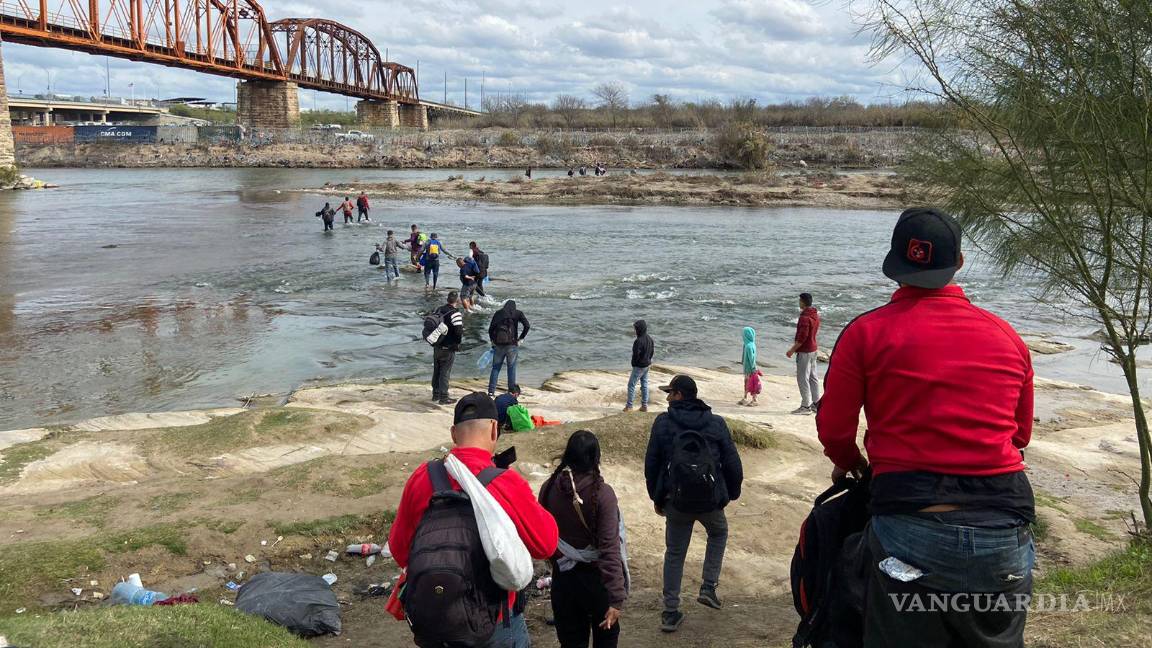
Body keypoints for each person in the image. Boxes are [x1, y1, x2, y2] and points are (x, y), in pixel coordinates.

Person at [816, 208, 1036, 648]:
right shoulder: (1007, 336)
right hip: (1003, 526)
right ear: (959, 262)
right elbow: (1018, 436)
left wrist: (852, 464)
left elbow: (835, 429)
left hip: (910, 527)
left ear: (895, 264)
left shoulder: (865, 333)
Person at [388, 393, 560, 648]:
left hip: (438, 617)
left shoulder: (423, 477)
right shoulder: (504, 482)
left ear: (453, 434)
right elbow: (546, 544)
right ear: (494, 429)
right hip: (495, 619)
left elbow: (400, 550)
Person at [644, 375, 743, 633]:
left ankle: (670, 611)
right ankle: (708, 586)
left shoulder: (663, 423)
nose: (667, 397)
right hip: (711, 499)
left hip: (675, 500)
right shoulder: (715, 423)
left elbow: (651, 465)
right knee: (718, 532)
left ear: (679, 395)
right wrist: (730, 493)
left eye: (670, 392)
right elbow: (733, 463)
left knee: (675, 553)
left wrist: (656, 497)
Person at [539, 430, 628, 648]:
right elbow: (609, 548)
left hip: (564, 580)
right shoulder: (603, 494)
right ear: (596, 457)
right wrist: (616, 598)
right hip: (597, 584)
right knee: (605, 640)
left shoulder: (549, 488)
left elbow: (543, 535)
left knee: (570, 642)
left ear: (567, 455)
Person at [786, 292, 821, 415]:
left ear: (803, 302)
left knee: (802, 378)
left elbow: (802, 338)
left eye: (799, 300)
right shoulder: (815, 314)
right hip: (813, 349)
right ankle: (816, 403)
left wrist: (792, 350)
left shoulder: (804, 318)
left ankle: (805, 406)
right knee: (813, 377)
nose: (798, 302)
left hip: (805, 351)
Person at [487, 300, 531, 396]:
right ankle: (511, 391)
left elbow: (490, 329)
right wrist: (521, 338)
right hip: (512, 345)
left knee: (495, 368)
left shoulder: (499, 313)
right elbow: (527, 325)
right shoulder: (517, 313)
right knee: (511, 368)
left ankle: (491, 391)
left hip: (498, 345)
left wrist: (493, 341)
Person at [430, 291, 465, 405]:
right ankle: (444, 397)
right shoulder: (456, 313)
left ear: (447, 299)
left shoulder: (438, 309)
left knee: (437, 370)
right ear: (457, 301)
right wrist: (457, 343)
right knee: (445, 372)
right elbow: (459, 331)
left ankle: (435, 394)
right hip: (448, 347)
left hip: (437, 345)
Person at [624, 320, 654, 412]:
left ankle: (629, 406)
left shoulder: (638, 341)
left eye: (636, 329)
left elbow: (636, 355)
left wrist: (634, 364)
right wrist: (648, 360)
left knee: (631, 385)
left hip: (639, 366)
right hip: (647, 365)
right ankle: (644, 406)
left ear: (639, 329)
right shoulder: (649, 338)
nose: (635, 330)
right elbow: (652, 351)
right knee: (644, 384)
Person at [739, 327, 758, 406]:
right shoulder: (749, 344)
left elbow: (752, 358)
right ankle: (745, 397)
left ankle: (754, 400)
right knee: (747, 382)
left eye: (743, 334)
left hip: (750, 369)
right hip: (747, 369)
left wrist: (753, 368)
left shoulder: (749, 346)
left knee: (752, 384)